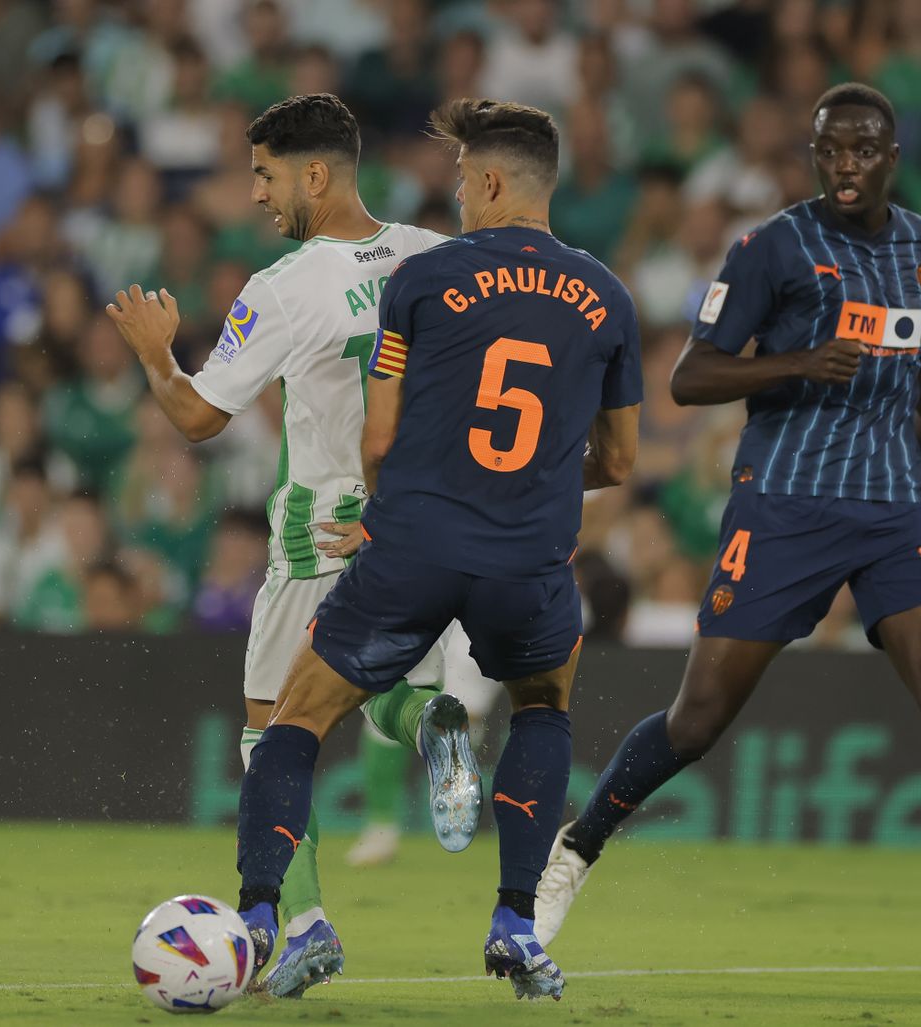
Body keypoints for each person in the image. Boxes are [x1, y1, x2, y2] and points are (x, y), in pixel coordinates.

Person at [534, 83, 921, 996]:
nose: (844, 165)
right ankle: (575, 846)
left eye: (862, 150)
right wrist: (797, 361)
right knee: (698, 718)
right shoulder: (771, 247)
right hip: (783, 503)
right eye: (830, 149)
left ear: (891, 156)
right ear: (814, 151)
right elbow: (690, 375)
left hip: (896, 503)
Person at [224, 97, 641, 1003]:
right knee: (543, 710)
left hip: (414, 540)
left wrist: (395, 504)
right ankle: (517, 928)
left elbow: (380, 440)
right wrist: (527, 479)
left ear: (489, 181)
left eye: (460, 177)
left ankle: (264, 919)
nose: (454, 192)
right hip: (528, 556)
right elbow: (618, 458)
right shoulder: (607, 295)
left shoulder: (430, 278)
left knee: (290, 720)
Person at [105, 93, 478, 998]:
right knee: (367, 686)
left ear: (316, 173)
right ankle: (425, 716)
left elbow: (198, 417)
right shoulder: (436, 257)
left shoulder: (281, 288)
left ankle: (305, 926)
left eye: (266, 175)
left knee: (270, 734)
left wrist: (158, 355)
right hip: (414, 525)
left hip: (319, 533)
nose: (258, 195)